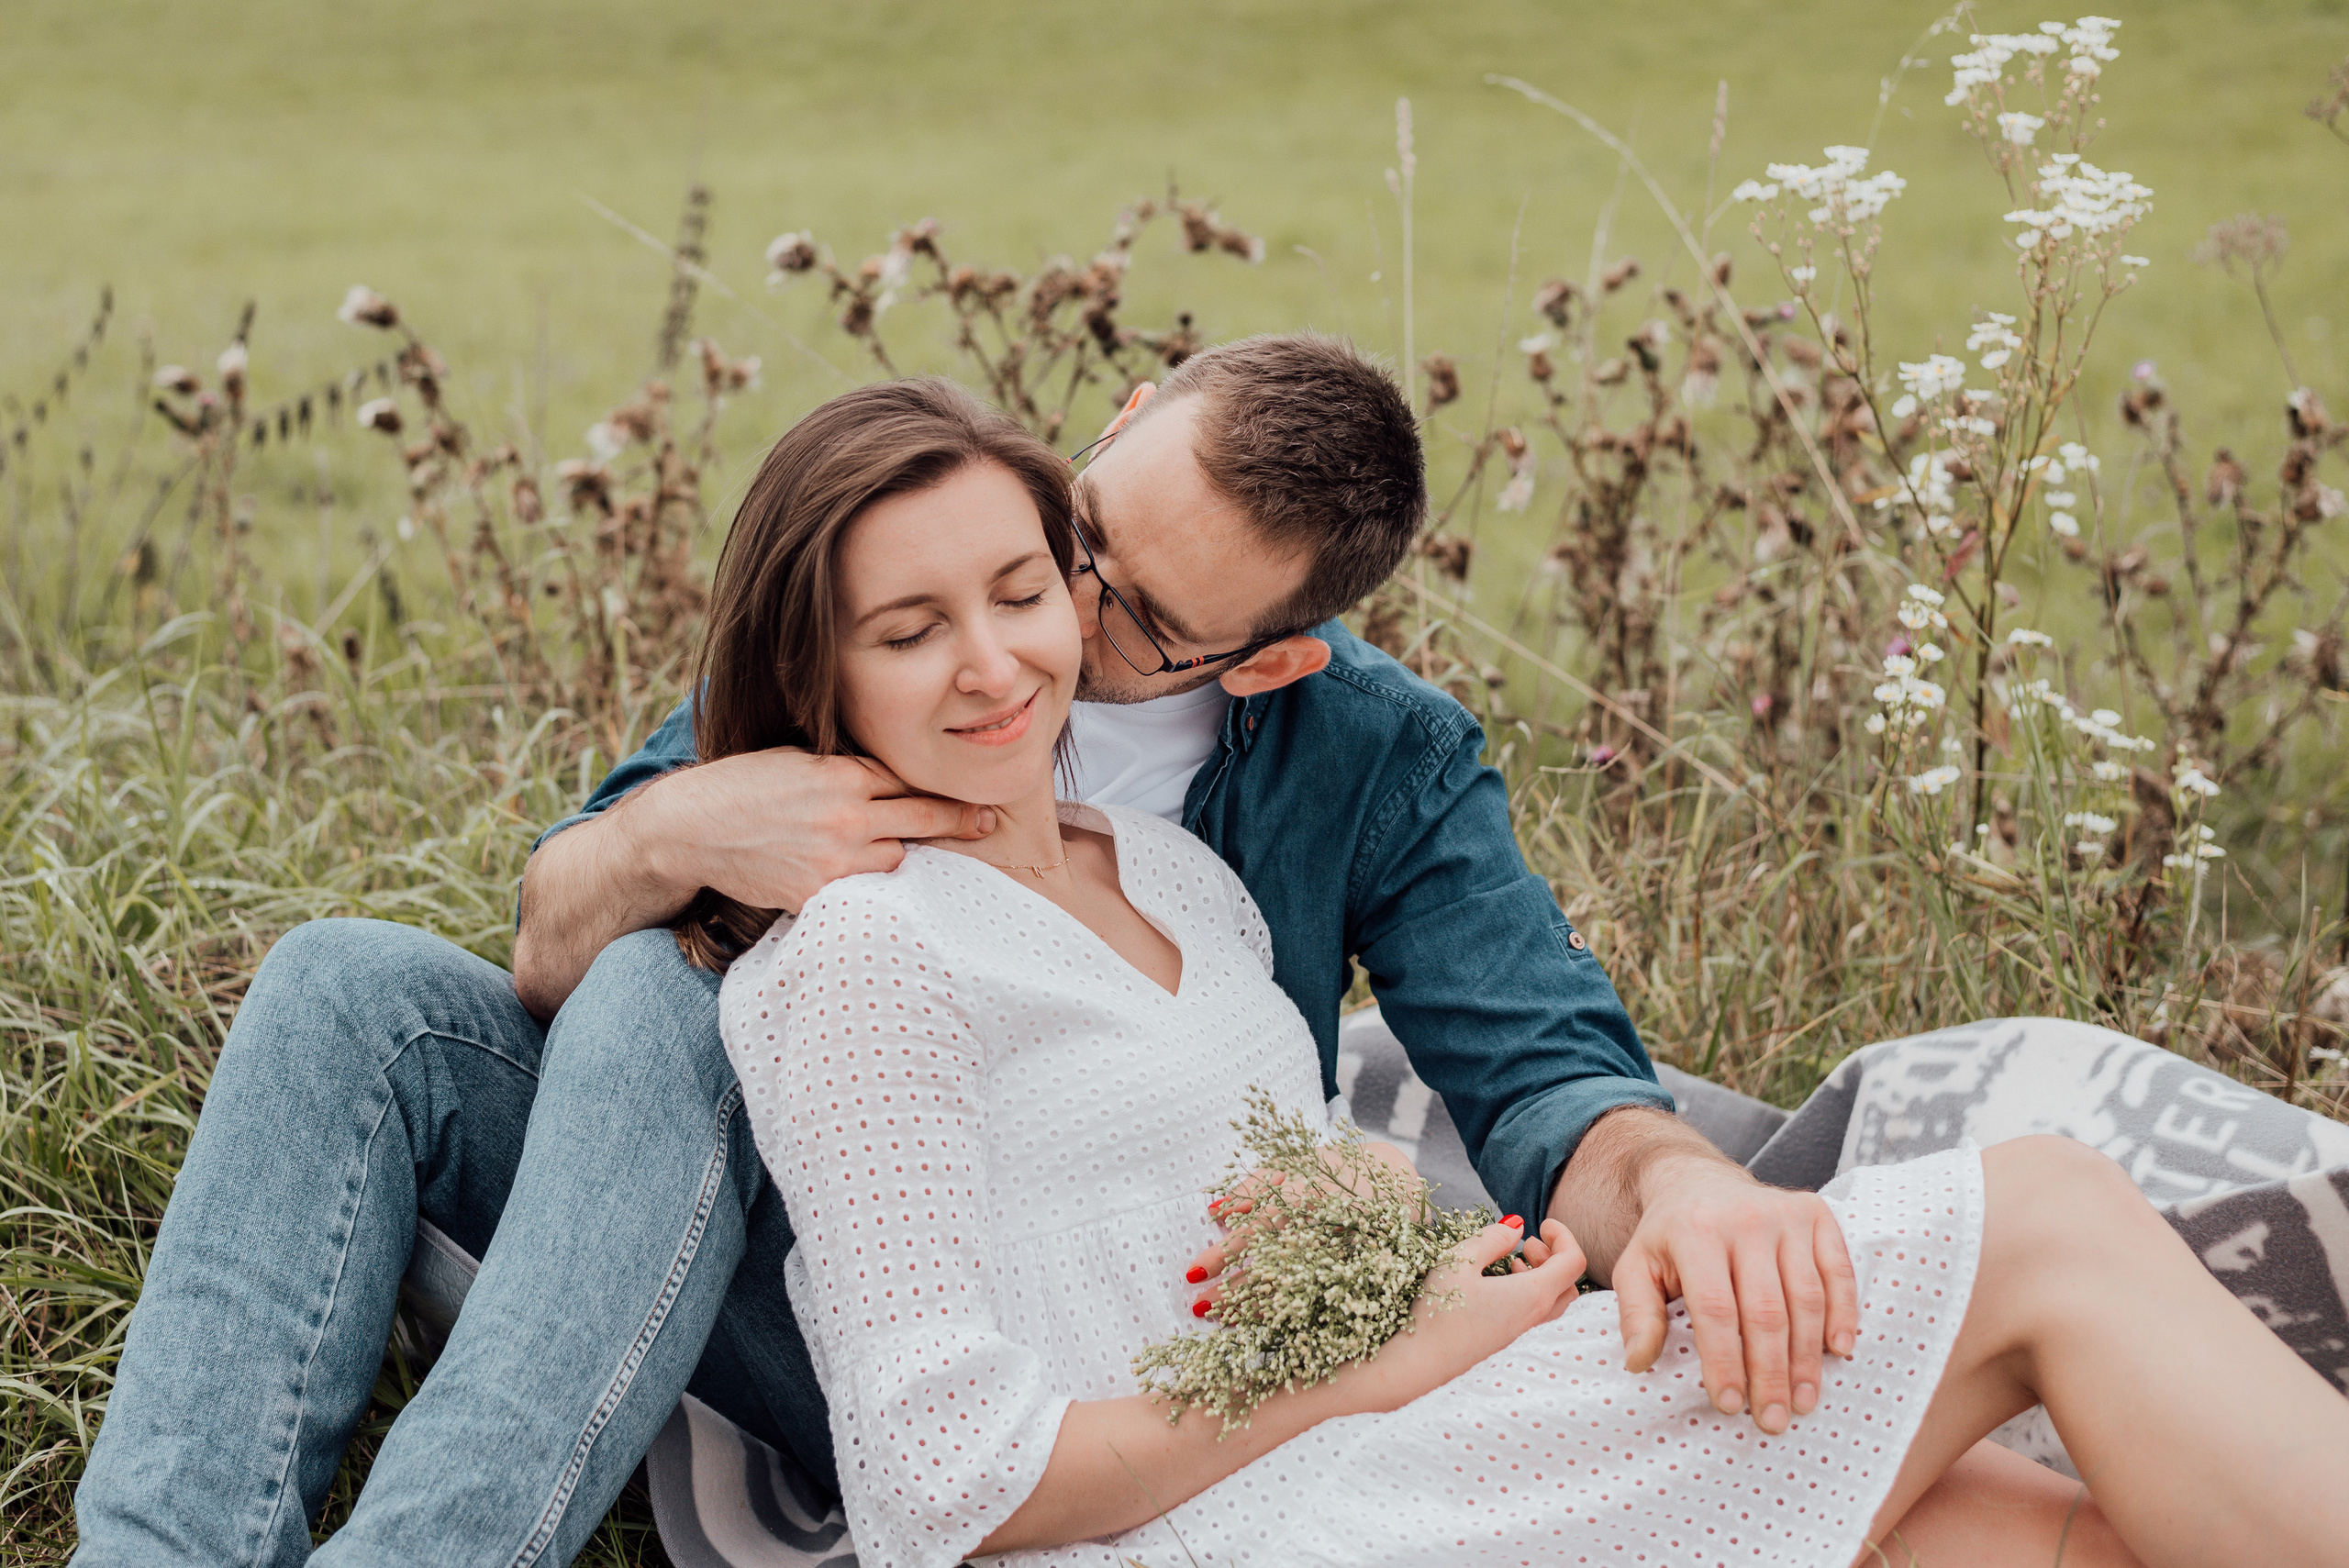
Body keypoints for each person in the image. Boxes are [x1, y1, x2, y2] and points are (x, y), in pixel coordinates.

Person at [55, 337, 1965, 1563]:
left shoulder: (1366, 757)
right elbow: (556, 941)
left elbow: (1537, 1061)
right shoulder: (929, 581)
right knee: (362, 985)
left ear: (1270, 656)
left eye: (1129, 616)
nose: (1050, 621)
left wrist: (1674, 1179)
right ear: (1121, 413)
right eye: (1085, 537)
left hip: (998, 1334)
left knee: (662, 985)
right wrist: (664, 829)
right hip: (743, 1204)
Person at [703, 375, 2349, 1567]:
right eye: (914, 631)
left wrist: (1412, 1243)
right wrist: (1383, 1358)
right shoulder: (861, 948)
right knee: (2045, 1213)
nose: (1020, 644)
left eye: (1034, 592)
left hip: (1392, 1421)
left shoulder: (1185, 882)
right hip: (1250, 1509)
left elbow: (1488, 1080)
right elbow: (940, 1491)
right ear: (815, 654)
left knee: (2013, 1524)